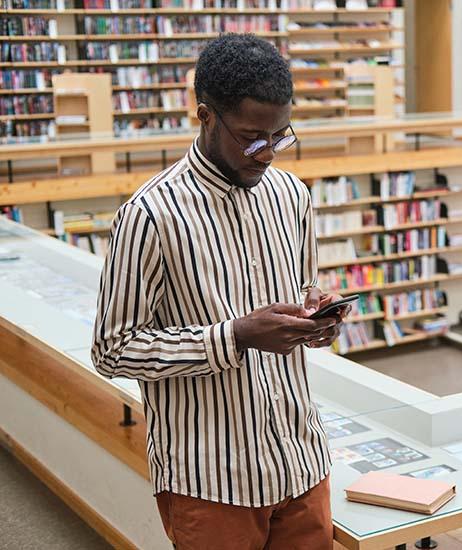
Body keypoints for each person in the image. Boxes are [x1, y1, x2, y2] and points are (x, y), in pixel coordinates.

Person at [92, 33, 347, 550]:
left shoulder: (292, 196)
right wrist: (235, 336)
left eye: (281, 136)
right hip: (211, 480)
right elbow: (112, 350)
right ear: (205, 116)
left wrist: (316, 315)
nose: (269, 154)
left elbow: (301, 287)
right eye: (253, 138)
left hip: (302, 461)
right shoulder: (150, 215)